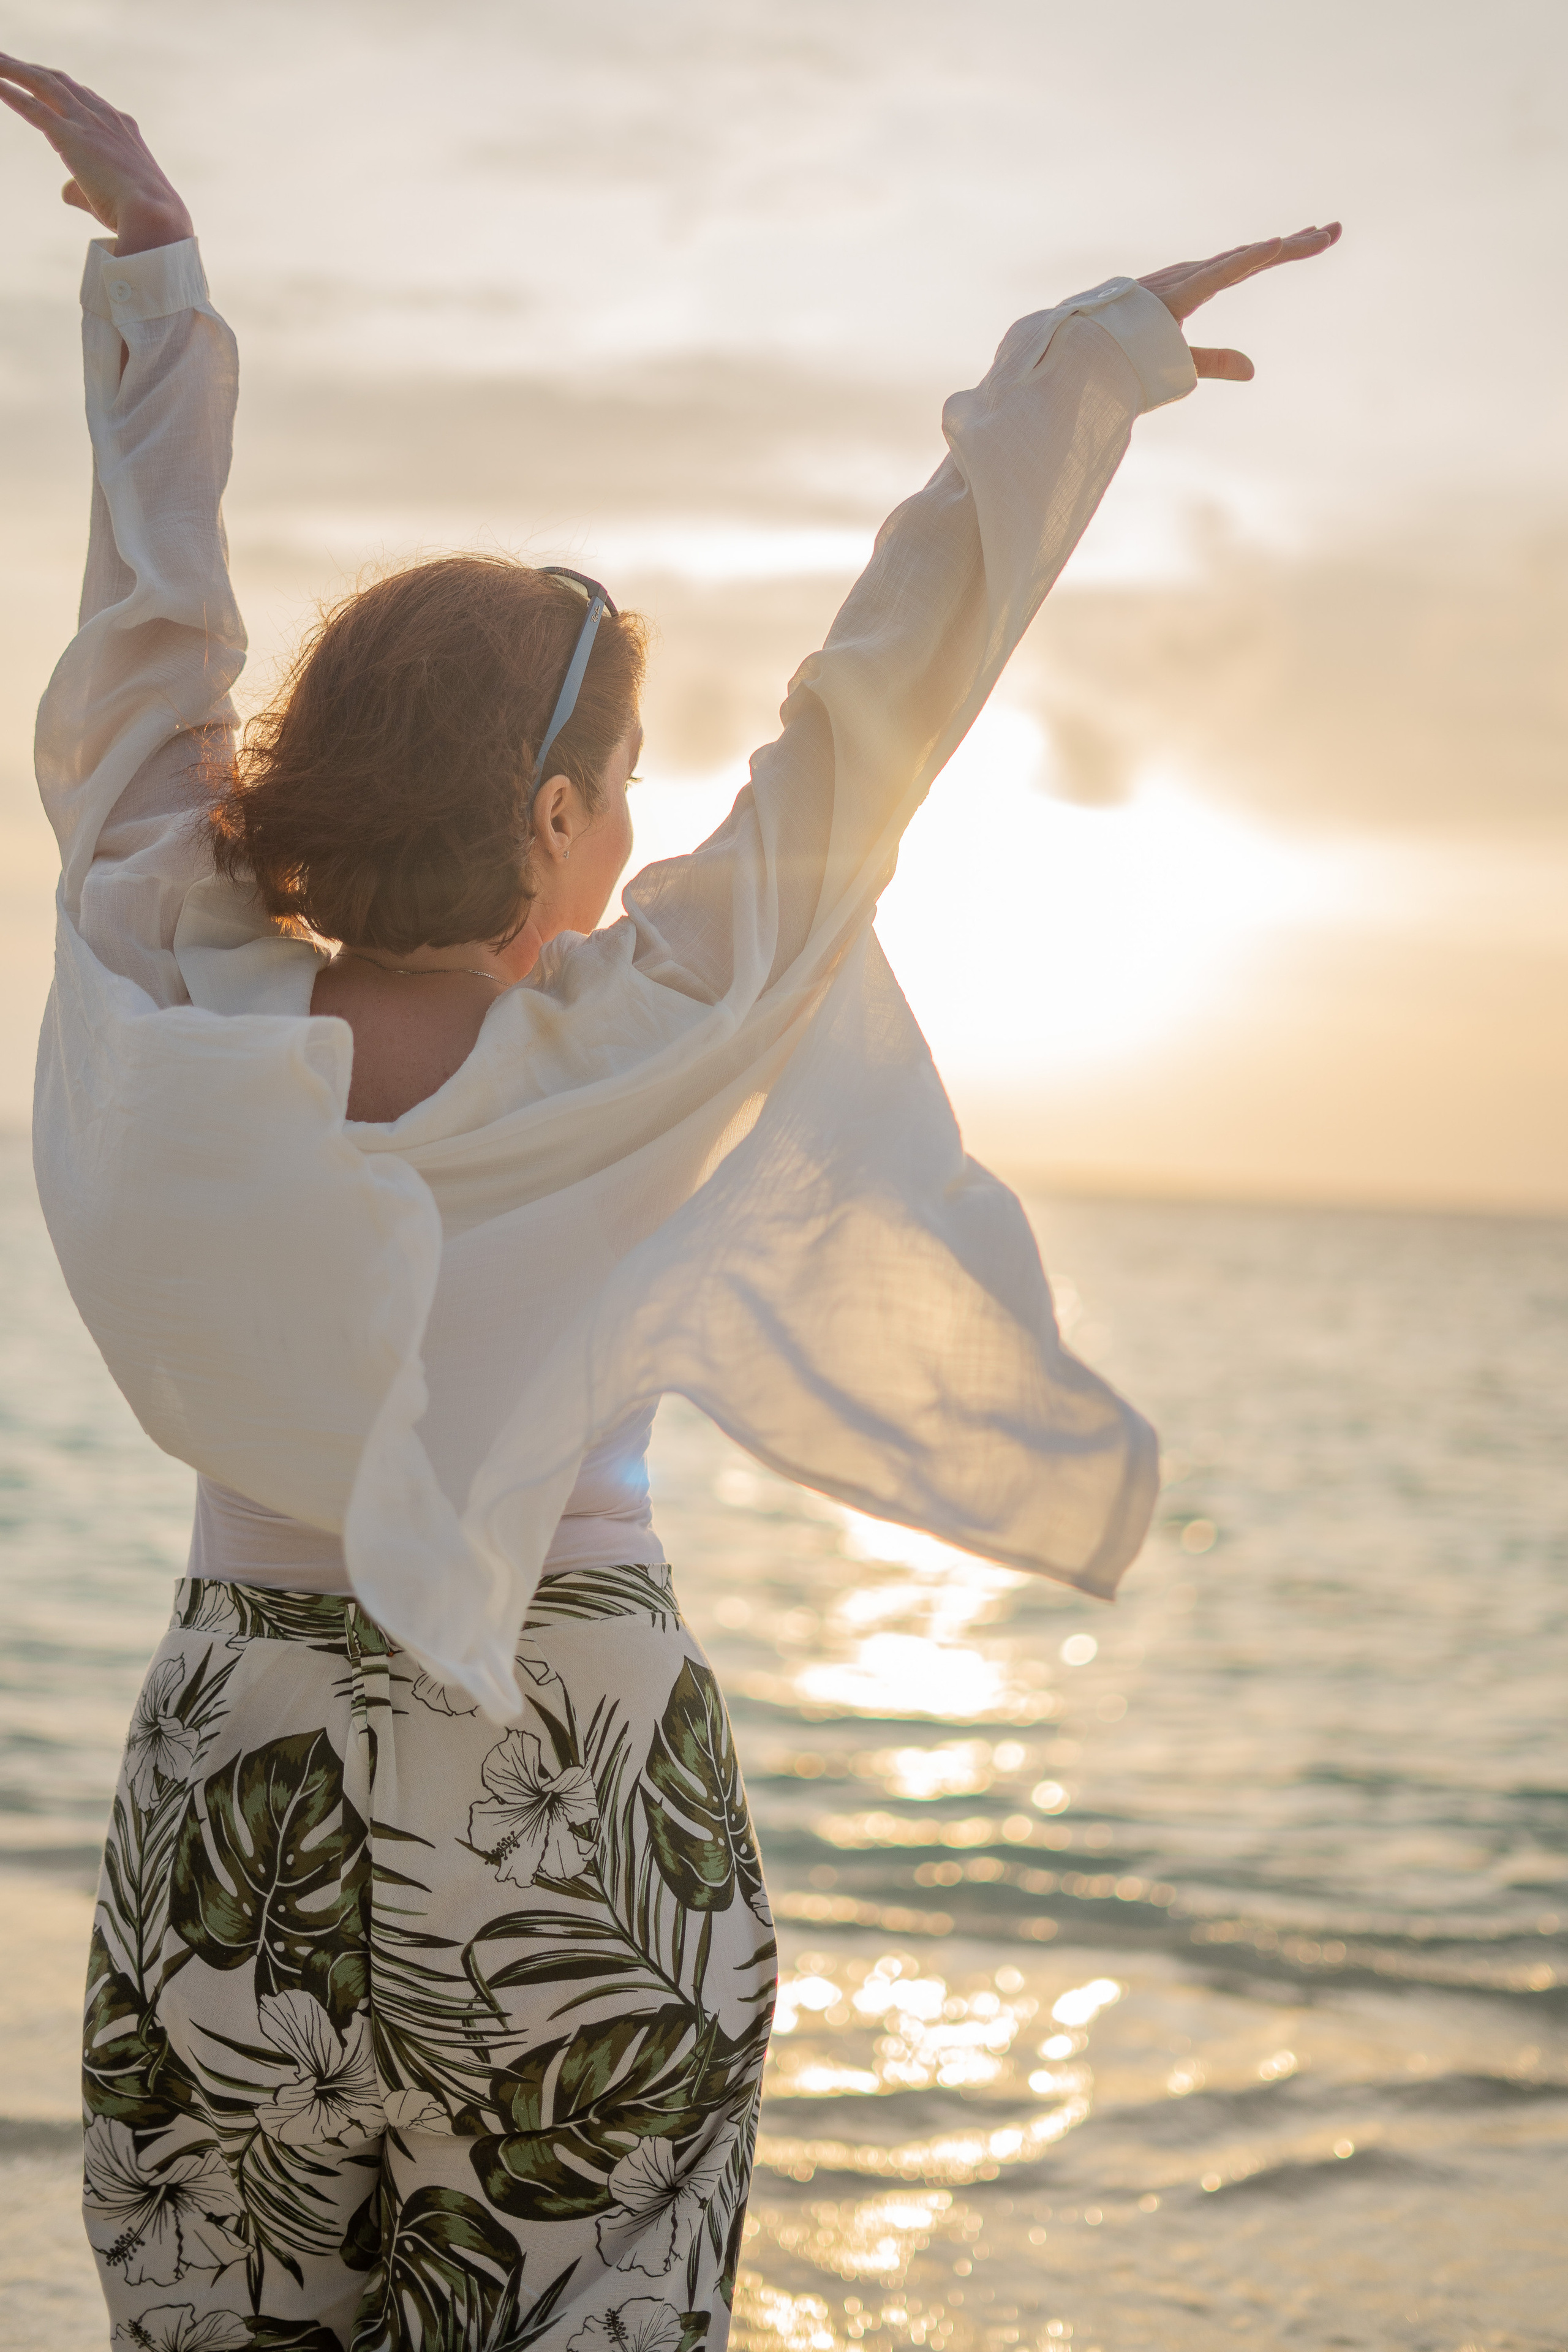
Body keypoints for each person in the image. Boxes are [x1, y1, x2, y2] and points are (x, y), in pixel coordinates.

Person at [0, 50, 1339, 2351]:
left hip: (239, 1767)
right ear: (543, 824)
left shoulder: (173, 982)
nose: (635, 826)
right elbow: (882, 702)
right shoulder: (645, 1035)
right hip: (574, 1771)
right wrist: (1072, 378)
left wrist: (156, 282)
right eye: (615, 782)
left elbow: (151, 645)